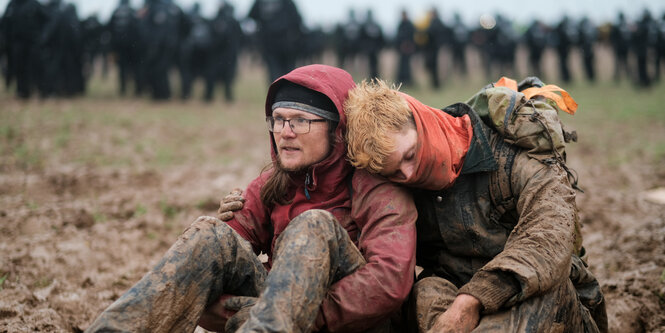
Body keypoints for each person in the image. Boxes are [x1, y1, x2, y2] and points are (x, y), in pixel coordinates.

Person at [85, 65, 417, 333]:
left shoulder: (377, 187)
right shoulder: (274, 183)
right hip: (272, 317)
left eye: (301, 121)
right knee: (208, 234)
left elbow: (388, 282)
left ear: (337, 129)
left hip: (353, 323)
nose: (285, 132)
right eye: (279, 119)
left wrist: (307, 313)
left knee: (314, 225)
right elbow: (219, 257)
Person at [343, 79, 607, 332]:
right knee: (426, 293)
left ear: (424, 122)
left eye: (410, 155)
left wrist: (472, 300)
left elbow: (547, 243)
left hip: (547, 298)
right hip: (462, 303)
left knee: (543, 291)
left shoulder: (518, 154)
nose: (409, 174)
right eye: (396, 172)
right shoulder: (405, 192)